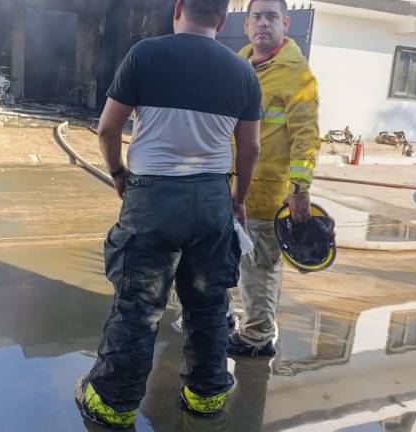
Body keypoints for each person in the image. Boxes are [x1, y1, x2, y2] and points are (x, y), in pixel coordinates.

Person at [74, 0, 263, 428]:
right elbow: (250, 149)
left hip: (153, 199)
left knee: (138, 306)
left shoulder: (146, 54)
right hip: (214, 200)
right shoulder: (242, 71)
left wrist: (119, 172)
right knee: (210, 304)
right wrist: (238, 199)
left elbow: (107, 129)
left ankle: (111, 404)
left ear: (178, 8)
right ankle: (205, 398)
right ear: (222, 18)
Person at [226, 0, 321, 358]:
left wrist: (299, 189)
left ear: (285, 22)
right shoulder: (239, 63)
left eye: (270, 17)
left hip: (268, 195)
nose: (262, 23)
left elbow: (306, 136)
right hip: (231, 188)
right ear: (247, 24)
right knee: (225, 260)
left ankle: (258, 336)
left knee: (259, 268)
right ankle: (228, 320)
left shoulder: (297, 75)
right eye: (256, 17)